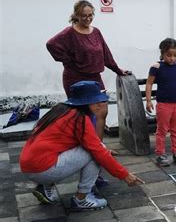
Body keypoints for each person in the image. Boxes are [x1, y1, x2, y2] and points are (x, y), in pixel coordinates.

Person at [19, 81, 144, 211]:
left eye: (99, 101)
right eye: (95, 102)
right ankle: (81, 199)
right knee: (94, 154)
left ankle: (45, 185)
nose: (99, 105)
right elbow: (97, 151)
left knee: (97, 149)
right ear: (83, 103)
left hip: (28, 164)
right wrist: (124, 175)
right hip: (42, 168)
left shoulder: (60, 110)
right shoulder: (80, 118)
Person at [46, 0, 128, 143]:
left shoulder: (96, 32)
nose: (88, 19)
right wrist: (68, 61)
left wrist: (117, 70)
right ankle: (83, 148)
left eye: (90, 15)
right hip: (75, 78)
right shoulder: (69, 33)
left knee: (102, 111)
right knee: (82, 115)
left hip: (95, 77)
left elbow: (106, 54)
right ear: (76, 15)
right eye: (84, 16)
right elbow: (51, 44)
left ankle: (99, 148)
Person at [145, 38, 176, 167]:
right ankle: (160, 154)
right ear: (162, 53)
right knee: (162, 130)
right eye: (169, 55)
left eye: (175, 55)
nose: (172, 58)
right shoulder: (156, 67)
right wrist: (148, 101)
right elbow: (149, 84)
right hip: (164, 104)